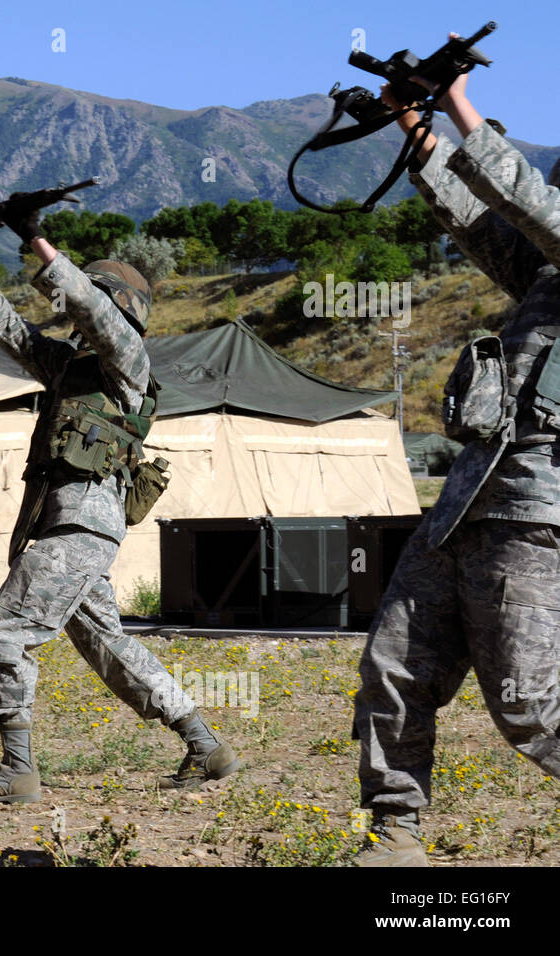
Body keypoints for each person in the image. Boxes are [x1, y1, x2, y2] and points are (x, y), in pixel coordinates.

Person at [0, 211, 239, 803]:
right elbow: (12, 331)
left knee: (5, 629)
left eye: (87, 299)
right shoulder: (72, 368)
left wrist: (34, 240)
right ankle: (205, 744)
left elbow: (95, 312)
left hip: (81, 523)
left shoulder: (129, 359)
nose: (73, 313)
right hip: (67, 522)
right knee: (111, 645)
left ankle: (17, 770)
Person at [353, 60, 560, 866]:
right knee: (396, 666)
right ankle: (395, 831)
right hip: (471, 498)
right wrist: (415, 127)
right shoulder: (548, 277)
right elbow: (483, 221)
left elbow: (532, 205)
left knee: (533, 708)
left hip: (538, 507)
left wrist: (462, 105)